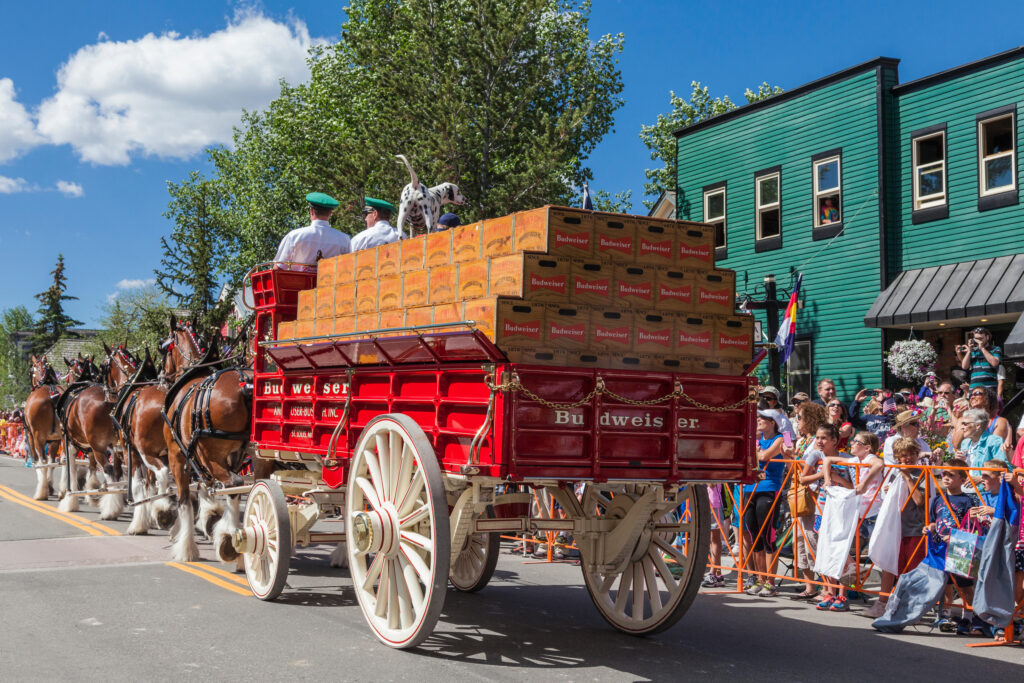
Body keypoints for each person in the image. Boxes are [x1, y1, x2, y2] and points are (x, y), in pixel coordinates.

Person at [861, 438, 928, 619]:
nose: (905, 460)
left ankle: (911, 607)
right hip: (895, 528)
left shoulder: (922, 473)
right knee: (888, 566)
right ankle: (882, 603)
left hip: (915, 529)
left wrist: (907, 478)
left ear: (916, 455)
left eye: (910, 455)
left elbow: (919, 501)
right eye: (902, 457)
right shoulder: (894, 473)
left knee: (912, 570)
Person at [926, 459, 981, 632]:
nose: (946, 477)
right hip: (940, 546)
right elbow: (934, 521)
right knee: (944, 583)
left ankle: (969, 617)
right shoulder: (937, 499)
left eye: (952, 474)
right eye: (944, 474)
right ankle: (944, 615)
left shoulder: (968, 500)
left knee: (964, 585)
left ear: (963, 479)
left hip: (960, 546)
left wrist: (958, 537)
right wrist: (929, 528)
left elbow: (970, 526)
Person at [742, 411, 786, 597]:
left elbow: (764, 456)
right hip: (749, 489)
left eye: (762, 419)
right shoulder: (756, 440)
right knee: (754, 537)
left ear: (773, 422)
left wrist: (756, 451)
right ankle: (760, 579)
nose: (758, 421)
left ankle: (770, 582)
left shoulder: (779, 439)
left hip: (769, 489)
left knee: (768, 536)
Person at [792, 401, 829, 597]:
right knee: (800, 538)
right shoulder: (802, 441)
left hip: (813, 493)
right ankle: (809, 586)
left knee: (812, 538)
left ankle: (825, 586)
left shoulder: (818, 441)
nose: (797, 421)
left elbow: (821, 467)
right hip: (799, 492)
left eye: (800, 417)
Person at [273, 192, 350, 266]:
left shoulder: (294, 236)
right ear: (330, 213)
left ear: (311, 211)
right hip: (330, 279)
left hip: (297, 280)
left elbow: (279, 267)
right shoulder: (344, 239)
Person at [949, 386, 1011, 454]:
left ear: (987, 399)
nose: (972, 397)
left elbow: (993, 447)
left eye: (977, 393)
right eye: (971, 395)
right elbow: (956, 444)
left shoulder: (999, 421)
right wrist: (967, 418)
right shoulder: (963, 419)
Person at [956, 408, 1008, 480]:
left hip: (985, 489)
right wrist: (958, 461)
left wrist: (981, 478)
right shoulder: (965, 443)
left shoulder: (994, 441)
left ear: (978, 425)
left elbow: (1003, 469)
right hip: (965, 488)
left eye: (965, 424)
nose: (962, 427)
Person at [958, 326, 1001, 391]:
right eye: (976, 339)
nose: (978, 341)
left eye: (981, 338)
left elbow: (995, 363)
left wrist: (982, 348)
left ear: (987, 337)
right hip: (974, 388)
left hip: (990, 387)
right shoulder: (973, 351)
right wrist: (969, 350)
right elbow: (964, 366)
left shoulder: (995, 349)